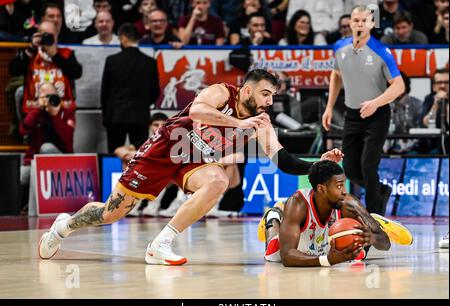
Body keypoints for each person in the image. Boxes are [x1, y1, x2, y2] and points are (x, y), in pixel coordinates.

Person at [38, 68, 344, 265]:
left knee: (218, 181)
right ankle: (64, 225)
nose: (268, 102)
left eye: (272, 97)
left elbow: (284, 162)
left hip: (195, 161)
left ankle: (161, 244)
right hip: (165, 149)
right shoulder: (223, 91)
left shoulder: (260, 124)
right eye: (265, 94)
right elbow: (198, 109)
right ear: (248, 91)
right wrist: (239, 122)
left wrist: (320, 163)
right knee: (111, 213)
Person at [322, 5, 405, 216]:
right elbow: (336, 75)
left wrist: (376, 102)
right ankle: (380, 190)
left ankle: (374, 217)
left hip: (376, 116)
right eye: (355, 20)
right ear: (350, 23)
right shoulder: (340, 48)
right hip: (352, 115)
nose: (359, 24)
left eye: (364, 20)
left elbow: (399, 85)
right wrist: (329, 107)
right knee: (349, 168)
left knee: (368, 165)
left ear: (372, 24)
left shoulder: (381, 51)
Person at [258, 160, 413, 266]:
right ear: (321, 188)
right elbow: (287, 257)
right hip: (301, 247)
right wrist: (327, 260)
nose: (345, 191)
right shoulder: (298, 203)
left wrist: (372, 238)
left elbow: (385, 243)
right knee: (272, 251)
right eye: (339, 186)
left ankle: (374, 220)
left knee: (358, 253)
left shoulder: (349, 203)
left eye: (344, 184)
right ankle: (274, 216)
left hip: (329, 247)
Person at [101, 23, 160, 154]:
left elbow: (105, 92)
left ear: (123, 38)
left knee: (114, 155)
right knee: (139, 156)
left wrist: (106, 116)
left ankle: (114, 175)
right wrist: (142, 104)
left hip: (115, 117)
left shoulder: (112, 60)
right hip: (140, 116)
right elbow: (155, 92)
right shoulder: (150, 62)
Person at [19, 82, 75, 212]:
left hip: (62, 162)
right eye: (44, 96)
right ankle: (26, 206)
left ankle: (34, 207)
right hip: (36, 164)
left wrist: (55, 115)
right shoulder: (35, 113)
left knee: (46, 148)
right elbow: (23, 131)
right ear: (38, 98)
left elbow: (67, 138)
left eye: (52, 96)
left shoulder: (67, 113)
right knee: (20, 175)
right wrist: (37, 110)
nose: (49, 99)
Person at [9, 20, 82, 114]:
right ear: (38, 36)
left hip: (61, 110)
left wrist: (55, 55)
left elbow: (76, 73)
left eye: (52, 35)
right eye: (45, 35)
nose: (48, 38)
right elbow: (14, 70)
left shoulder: (66, 53)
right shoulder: (31, 53)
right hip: (34, 110)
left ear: (57, 35)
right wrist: (31, 48)